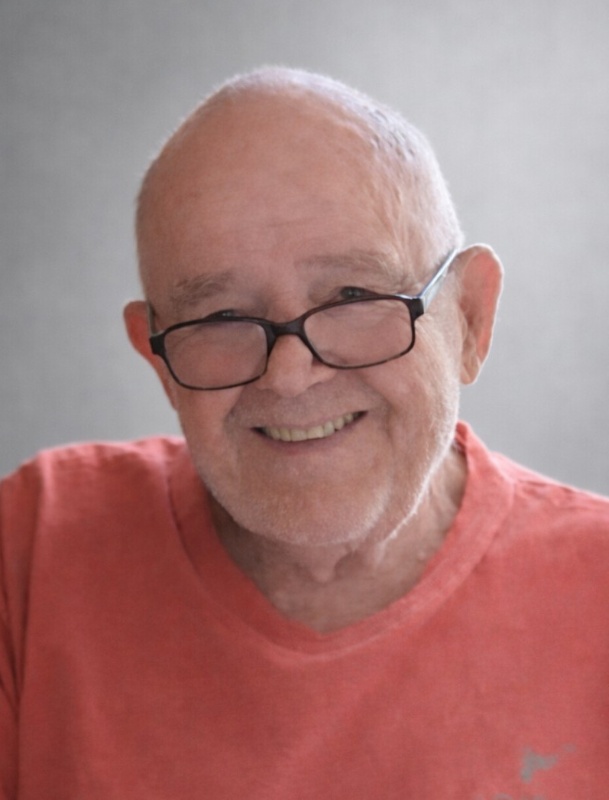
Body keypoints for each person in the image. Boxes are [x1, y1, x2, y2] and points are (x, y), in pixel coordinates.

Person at [1, 67, 608, 800]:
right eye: (222, 317)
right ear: (159, 361)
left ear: (471, 319)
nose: (289, 377)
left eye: (353, 295)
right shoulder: (31, 555)